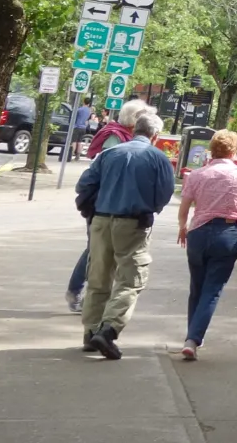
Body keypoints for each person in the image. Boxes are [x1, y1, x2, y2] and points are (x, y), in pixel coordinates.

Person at [74, 103, 175, 360]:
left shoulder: (110, 154)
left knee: (98, 277)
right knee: (130, 280)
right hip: (132, 223)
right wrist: (150, 206)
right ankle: (108, 330)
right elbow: (164, 193)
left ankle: (90, 332)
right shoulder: (158, 158)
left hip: (101, 220)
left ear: (135, 129)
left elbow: (84, 184)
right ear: (155, 136)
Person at [174, 129, 237, 360]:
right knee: (212, 290)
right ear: (234, 150)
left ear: (212, 149)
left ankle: (192, 336)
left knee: (197, 288)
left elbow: (185, 207)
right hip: (227, 234)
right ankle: (193, 339)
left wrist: (182, 227)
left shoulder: (197, 174)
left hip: (197, 233)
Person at [66, 99, 142, 314]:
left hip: (107, 202)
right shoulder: (115, 138)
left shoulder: (122, 136)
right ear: (134, 121)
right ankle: (78, 292)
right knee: (95, 251)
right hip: (103, 203)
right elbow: (107, 172)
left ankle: (83, 293)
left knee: (97, 250)